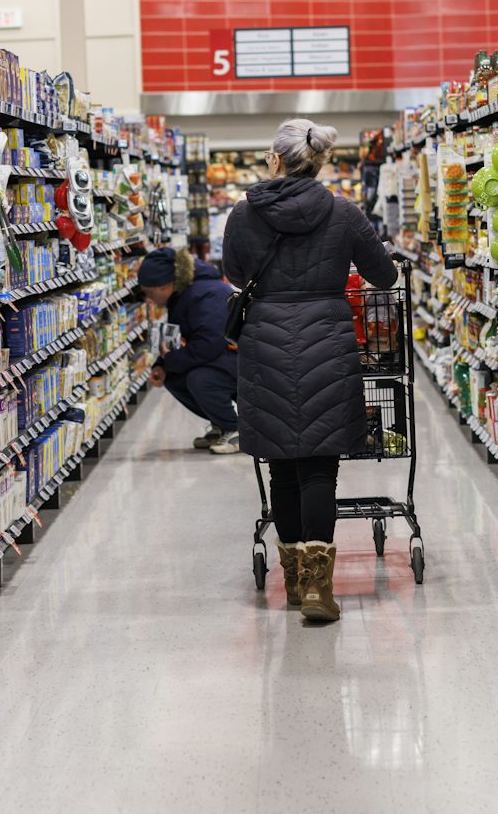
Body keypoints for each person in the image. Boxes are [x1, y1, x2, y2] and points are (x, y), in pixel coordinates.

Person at [222, 118, 398, 624]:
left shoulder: (242, 214)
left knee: (282, 463)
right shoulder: (344, 212)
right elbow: (382, 276)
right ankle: (322, 589)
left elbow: (235, 275)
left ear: (275, 159)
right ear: (319, 161)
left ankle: (296, 583)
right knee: (320, 463)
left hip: (266, 344)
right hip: (328, 340)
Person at [137, 246, 241, 454]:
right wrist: (164, 365)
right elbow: (183, 340)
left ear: (165, 285)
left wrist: (173, 360)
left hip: (242, 360)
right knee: (174, 377)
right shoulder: (184, 294)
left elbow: (210, 343)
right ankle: (219, 424)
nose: (149, 299)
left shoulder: (205, 294)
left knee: (200, 379)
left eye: (150, 292)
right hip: (223, 357)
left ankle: (236, 429)